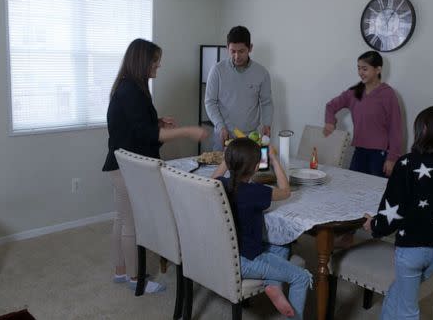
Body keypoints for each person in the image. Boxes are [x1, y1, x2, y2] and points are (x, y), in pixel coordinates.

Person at [102, 39, 208, 293]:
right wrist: (188, 131)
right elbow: (148, 136)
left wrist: (157, 121)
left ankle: (121, 271)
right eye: (155, 61)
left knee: (121, 218)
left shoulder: (128, 88)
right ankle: (133, 278)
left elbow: (136, 127)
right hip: (128, 168)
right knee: (131, 223)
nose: (158, 66)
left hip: (119, 164)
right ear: (142, 61)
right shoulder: (132, 90)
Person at [362, 105, 433, 319]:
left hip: (412, 250)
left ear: (423, 130)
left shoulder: (407, 163)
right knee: (400, 292)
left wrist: (375, 225)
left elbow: (393, 208)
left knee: (408, 309)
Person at [212, 138, 312, 320]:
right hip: (245, 261)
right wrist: (274, 159)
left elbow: (212, 178)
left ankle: (273, 285)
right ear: (256, 167)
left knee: (283, 244)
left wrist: (227, 159)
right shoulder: (255, 192)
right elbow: (286, 191)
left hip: (225, 254)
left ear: (228, 161)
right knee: (301, 278)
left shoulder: (218, 185)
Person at [323, 51, 403, 177]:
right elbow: (330, 106)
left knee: (376, 192)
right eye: (359, 68)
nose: (360, 72)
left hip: (380, 154)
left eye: (365, 69)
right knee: (353, 187)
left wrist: (392, 158)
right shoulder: (354, 92)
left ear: (378, 70)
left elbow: (395, 128)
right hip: (359, 151)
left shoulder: (388, 94)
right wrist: (329, 121)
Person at [205, 26, 273, 150]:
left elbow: (266, 102)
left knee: (253, 169)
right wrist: (220, 126)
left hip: (250, 137)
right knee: (220, 169)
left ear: (250, 48)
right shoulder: (217, 71)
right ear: (227, 48)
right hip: (224, 135)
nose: (237, 56)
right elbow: (210, 102)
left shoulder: (262, 73)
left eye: (241, 51)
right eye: (233, 51)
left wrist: (267, 124)